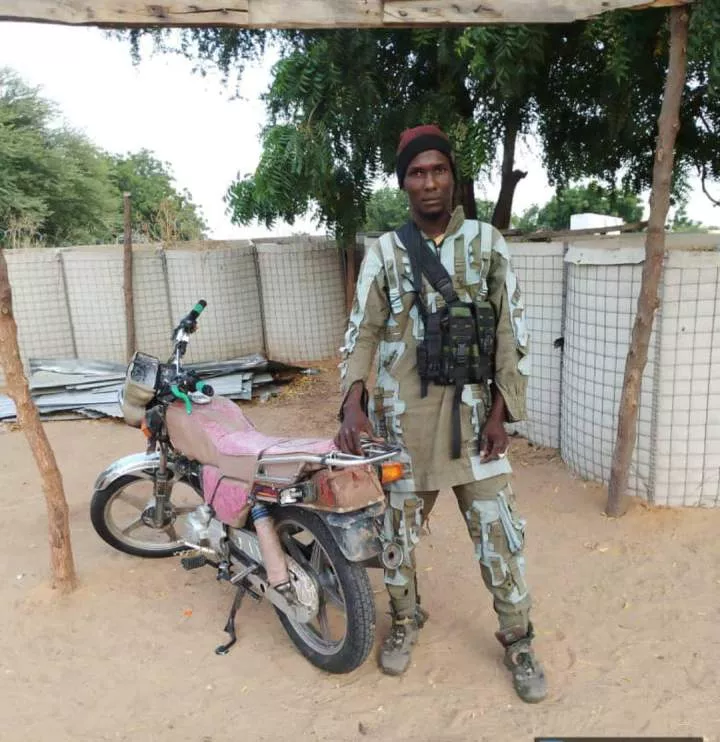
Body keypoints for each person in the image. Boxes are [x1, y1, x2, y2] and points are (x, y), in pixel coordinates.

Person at [335, 124, 546, 703]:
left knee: (500, 535)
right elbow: (363, 330)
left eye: (439, 170)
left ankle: (519, 638)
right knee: (396, 536)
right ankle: (405, 620)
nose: (429, 183)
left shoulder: (487, 243)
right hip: (402, 427)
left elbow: (512, 331)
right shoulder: (386, 251)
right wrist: (352, 404)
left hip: (478, 426)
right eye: (417, 173)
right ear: (403, 183)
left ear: (453, 176)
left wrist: (505, 412)